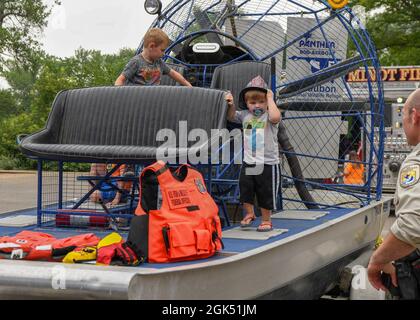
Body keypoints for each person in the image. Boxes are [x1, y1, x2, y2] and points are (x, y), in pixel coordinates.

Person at [368, 88, 420, 293]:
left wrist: (377, 260)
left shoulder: (415, 162)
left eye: (403, 115)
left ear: (415, 116)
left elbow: (413, 224)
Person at [226, 76, 282, 232]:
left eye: (261, 102)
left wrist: (270, 98)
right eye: (252, 103)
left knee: (265, 192)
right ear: (246, 104)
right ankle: (249, 213)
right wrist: (231, 104)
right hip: (249, 161)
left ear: (267, 102)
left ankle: (266, 219)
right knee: (246, 188)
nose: (257, 105)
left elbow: (276, 117)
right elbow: (231, 116)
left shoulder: (269, 116)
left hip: (268, 162)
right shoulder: (245, 115)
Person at [115, 28, 192, 87]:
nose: (164, 53)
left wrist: (188, 85)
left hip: (153, 99)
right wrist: (119, 96)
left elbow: (173, 73)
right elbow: (120, 80)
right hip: (137, 99)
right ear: (152, 46)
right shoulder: (136, 62)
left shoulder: (159, 62)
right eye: (162, 50)